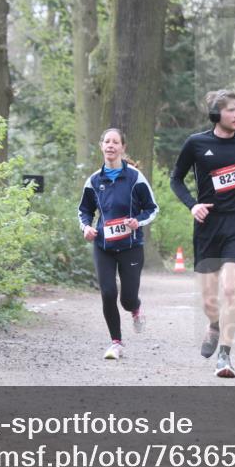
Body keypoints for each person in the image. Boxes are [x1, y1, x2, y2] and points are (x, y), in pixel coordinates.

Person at [170, 89, 235, 378]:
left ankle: (225, 356)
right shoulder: (196, 143)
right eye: (230, 110)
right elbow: (175, 179)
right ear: (217, 114)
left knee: (230, 289)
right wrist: (192, 206)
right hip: (207, 227)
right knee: (208, 299)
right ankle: (213, 324)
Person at [78, 128, 158, 360]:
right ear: (101, 146)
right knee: (108, 292)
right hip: (103, 246)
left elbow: (152, 208)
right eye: (107, 142)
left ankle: (135, 308)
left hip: (131, 246)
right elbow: (84, 210)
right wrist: (87, 228)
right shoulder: (94, 180)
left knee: (127, 298)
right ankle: (116, 342)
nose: (111, 146)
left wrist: (138, 221)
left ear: (123, 148)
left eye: (115, 142)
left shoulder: (134, 177)